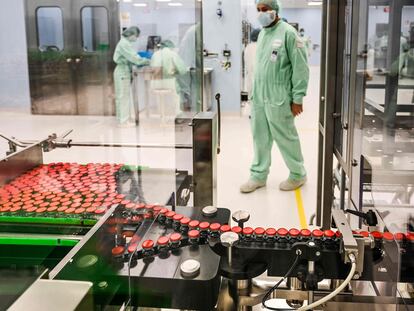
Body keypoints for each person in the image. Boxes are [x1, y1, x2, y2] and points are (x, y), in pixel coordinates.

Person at [240, 0, 309, 193]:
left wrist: (298, 98)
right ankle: (258, 175)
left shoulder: (288, 33)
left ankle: (298, 174)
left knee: (285, 136)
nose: (261, 13)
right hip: (259, 96)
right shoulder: (262, 33)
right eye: (259, 10)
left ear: (275, 10)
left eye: (265, 9)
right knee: (259, 136)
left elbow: (301, 69)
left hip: (279, 96)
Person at [113, 26, 150, 127]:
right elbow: (134, 58)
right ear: (131, 34)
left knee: (123, 97)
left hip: (123, 71)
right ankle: (123, 121)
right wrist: (148, 60)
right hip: (122, 72)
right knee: (123, 97)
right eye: (136, 36)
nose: (136, 39)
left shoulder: (125, 43)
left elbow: (132, 57)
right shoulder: (124, 44)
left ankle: (123, 118)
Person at [244, 29, 261, 98]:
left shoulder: (248, 47)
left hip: (250, 78)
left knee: (252, 100)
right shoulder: (260, 47)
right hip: (259, 79)